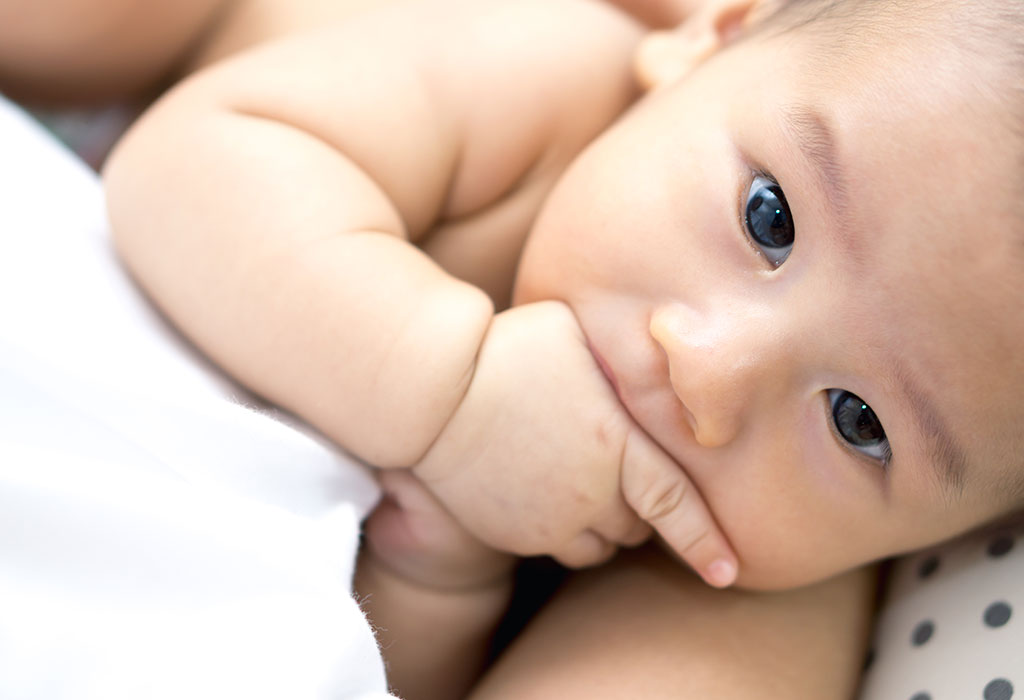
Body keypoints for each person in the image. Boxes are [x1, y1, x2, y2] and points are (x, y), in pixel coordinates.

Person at [10, 0, 1024, 695]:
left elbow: (374, 671)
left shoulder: (683, 555)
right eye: (769, 218)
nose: (709, 376)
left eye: (859, 424)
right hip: (207, 50)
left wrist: (441, 579)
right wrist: (451, 394)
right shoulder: (543, 78)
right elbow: (191, 165)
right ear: (708, 43)